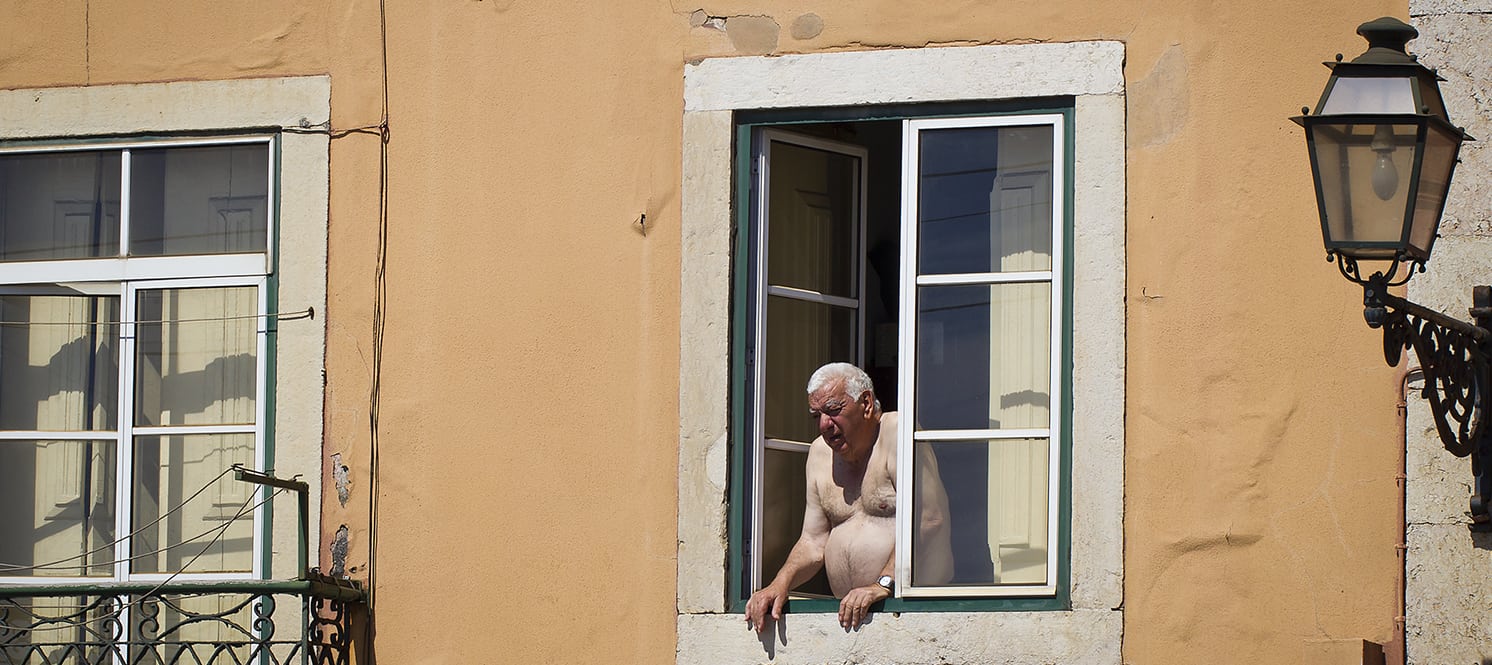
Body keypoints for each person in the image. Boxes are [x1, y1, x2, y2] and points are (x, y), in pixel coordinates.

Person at [745, 362, 952, 633]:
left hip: (911, 614)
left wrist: (883, 584)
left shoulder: (897, 432)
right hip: (847, 617)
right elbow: (813, 541)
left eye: (833, 411)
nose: (824, 425)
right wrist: (779, 584)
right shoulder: (820, 453)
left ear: (865, 403)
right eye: (816, 415)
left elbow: (927, 519)